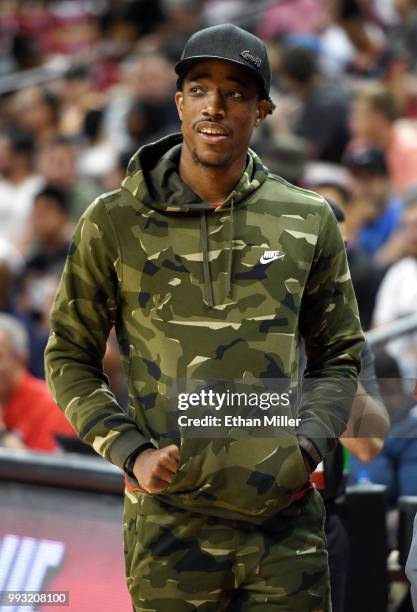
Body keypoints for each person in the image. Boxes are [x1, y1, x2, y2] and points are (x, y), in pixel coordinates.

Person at [45, 23, 364, 611]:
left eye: (237, 92)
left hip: (285, 531)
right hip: (168, 531)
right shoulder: (113, 220)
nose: (215, 106)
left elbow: (341, 355)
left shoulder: (308, 218)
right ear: (179, 101)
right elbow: (68, 356)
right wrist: (130, 450)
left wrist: (306, 450)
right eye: (199, 88)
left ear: (263, 109)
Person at [0, 314, 76, 452]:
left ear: (21, 360)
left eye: (0, 357)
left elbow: (50, 470)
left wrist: (6, 440)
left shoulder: (52, 406)